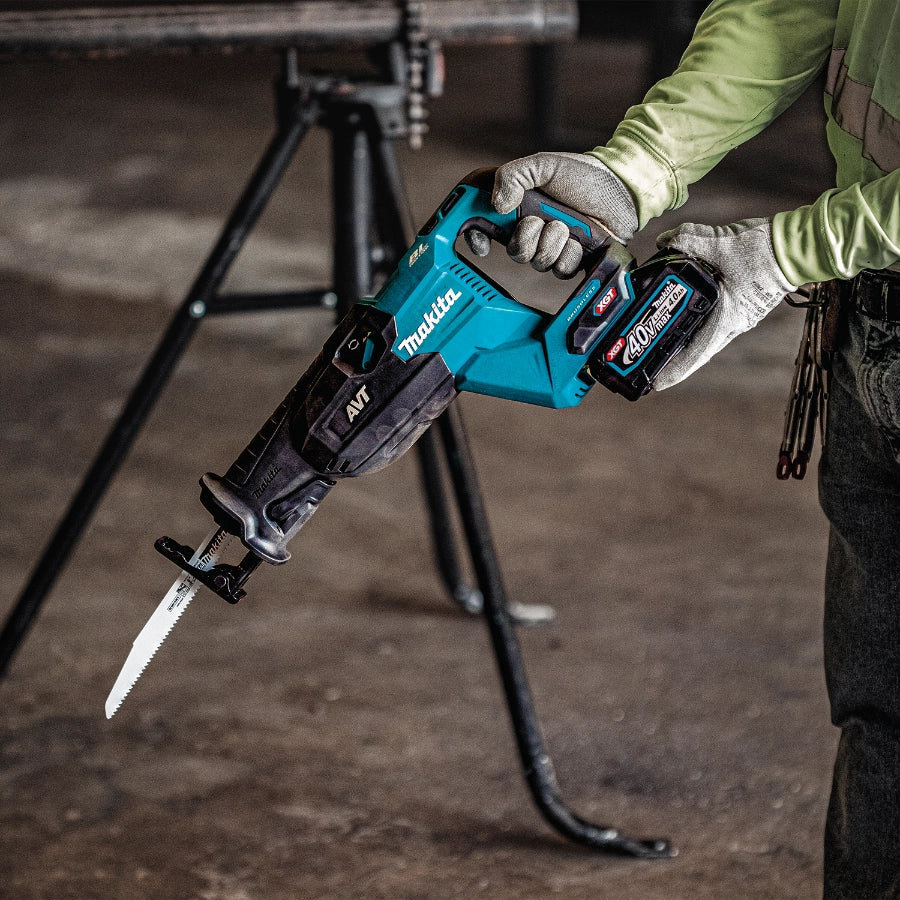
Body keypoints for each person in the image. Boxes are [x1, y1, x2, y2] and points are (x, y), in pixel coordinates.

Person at [469, 0, 900, 896]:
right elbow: (787, 7)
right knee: (881, 712)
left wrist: (787, 252)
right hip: (873, 314)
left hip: (851, 262)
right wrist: (635, 168)